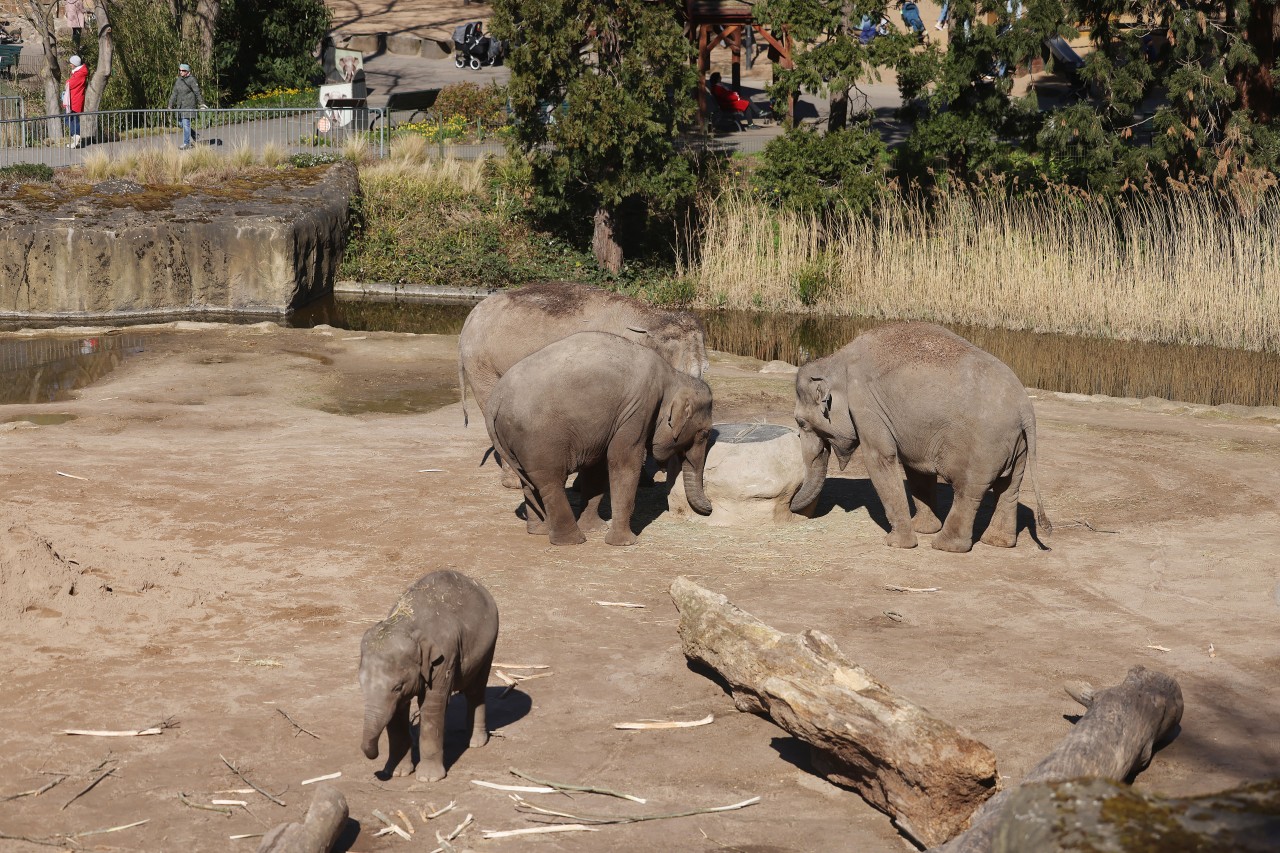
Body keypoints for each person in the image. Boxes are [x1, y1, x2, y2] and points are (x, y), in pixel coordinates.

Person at [167, 62, 208, 150]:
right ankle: (194, 135)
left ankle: (186, 143)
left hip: (189, 106)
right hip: (180, 106)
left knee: (186, 124)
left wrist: (201, 103)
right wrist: (170, 104)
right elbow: (174, 93)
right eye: (180, 70)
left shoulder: (192, 80)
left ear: (187, 71)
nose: (181, 72)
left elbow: (197, 92)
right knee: (180, 124)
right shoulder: (178, 80)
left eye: (183, 70)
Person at [64, 54, 87, 149]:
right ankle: (75, 137)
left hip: (75, 99)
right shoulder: (78, 72)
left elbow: (70, 84)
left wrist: (67, 82)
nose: (70, 64)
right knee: (70, 118)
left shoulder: (79, 73)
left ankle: (76, 136)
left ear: (75, 64)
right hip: (74, 98)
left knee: (72, 118)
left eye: (71, 63)